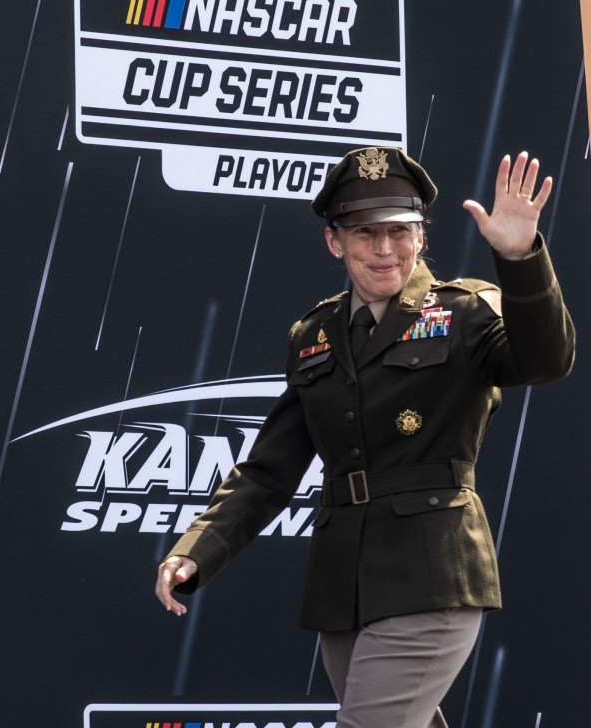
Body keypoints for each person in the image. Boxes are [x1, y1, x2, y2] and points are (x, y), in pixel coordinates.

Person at [155, 147, 575, 728]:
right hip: (344, 588)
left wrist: (520, 258)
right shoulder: (313, 334)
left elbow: (546, 360)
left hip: (433, 576)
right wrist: (195, 548)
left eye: (400, 232)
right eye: (366, 233)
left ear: (422, 237)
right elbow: (269, 471)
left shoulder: (464, 312)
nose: (385, 250)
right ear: (336, 242)